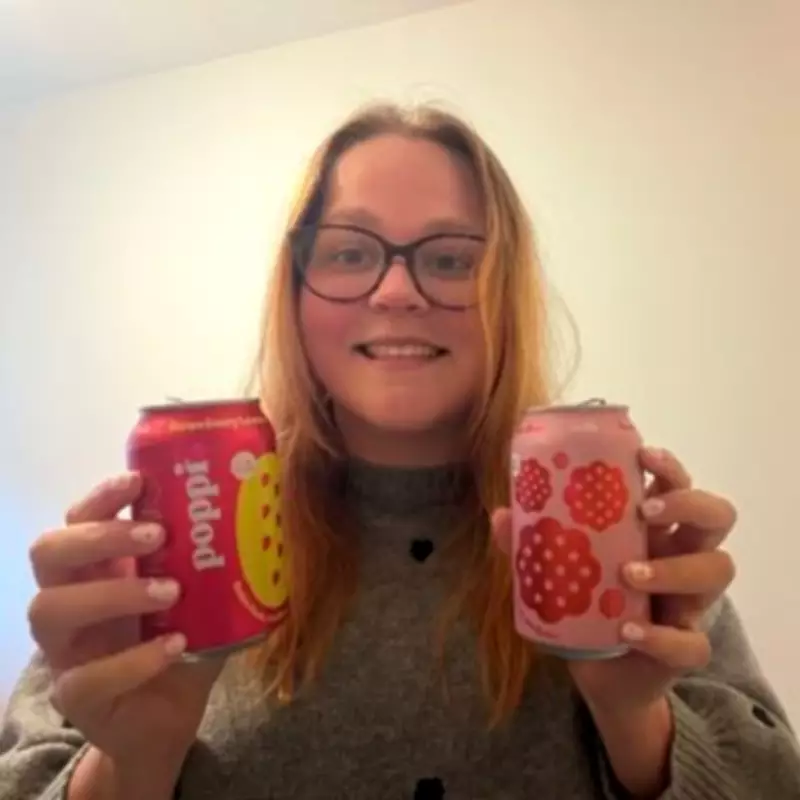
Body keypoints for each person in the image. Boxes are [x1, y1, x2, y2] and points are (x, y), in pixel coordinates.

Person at [1, 103, 798, 800]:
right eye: (350, 252)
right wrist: (130, 767)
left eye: (450, 259)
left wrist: (638, 721)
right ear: (295, 290)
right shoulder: (168, 549)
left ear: (504, 294)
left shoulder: (625, 542)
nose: (395, 292)